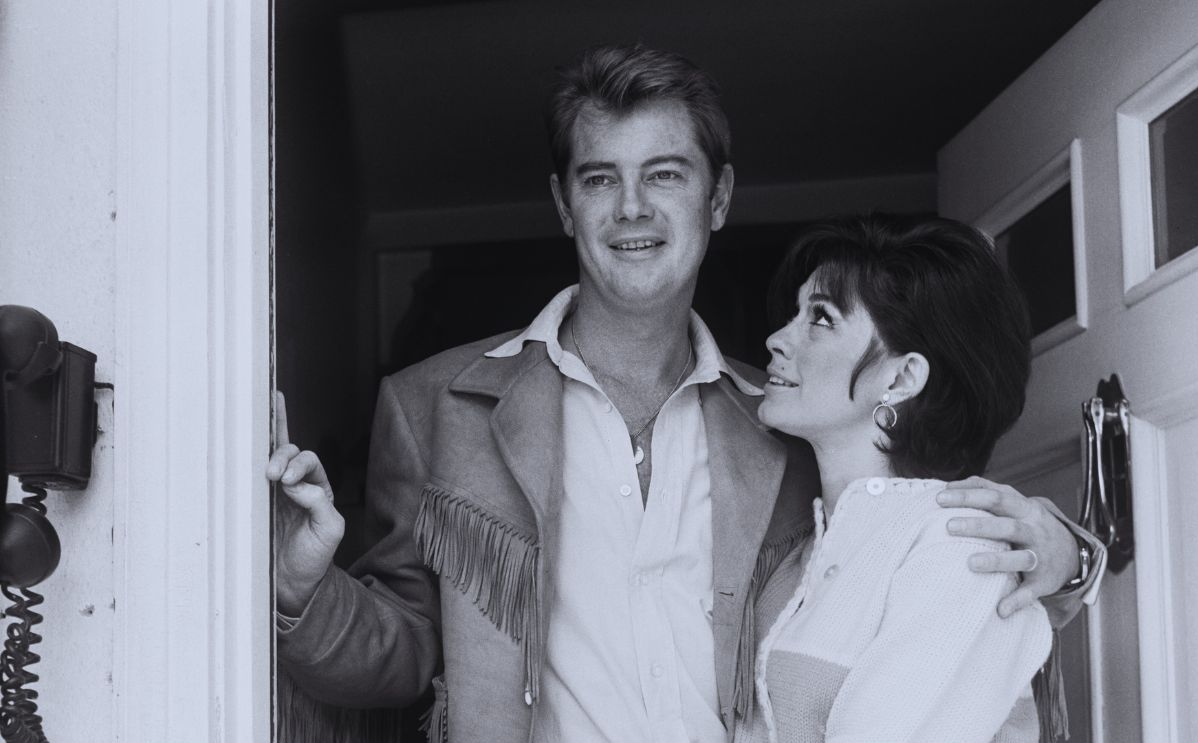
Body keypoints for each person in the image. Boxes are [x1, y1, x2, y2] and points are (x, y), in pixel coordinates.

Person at [268, 45, 1103, 743]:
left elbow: (911, 545)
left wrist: (1070, 559)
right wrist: (302, 587)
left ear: (719, 197)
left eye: (665, 174)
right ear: (565, 204)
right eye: (599, 179)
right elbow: (405, 648)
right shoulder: (434, 406)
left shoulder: (785, 419)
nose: (632, 207)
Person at [739, 214, 1076, 742]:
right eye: (795, 312)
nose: (778, 338)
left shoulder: (958, 543)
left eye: (821, 318)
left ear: (901, 377)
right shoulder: (798, 553)